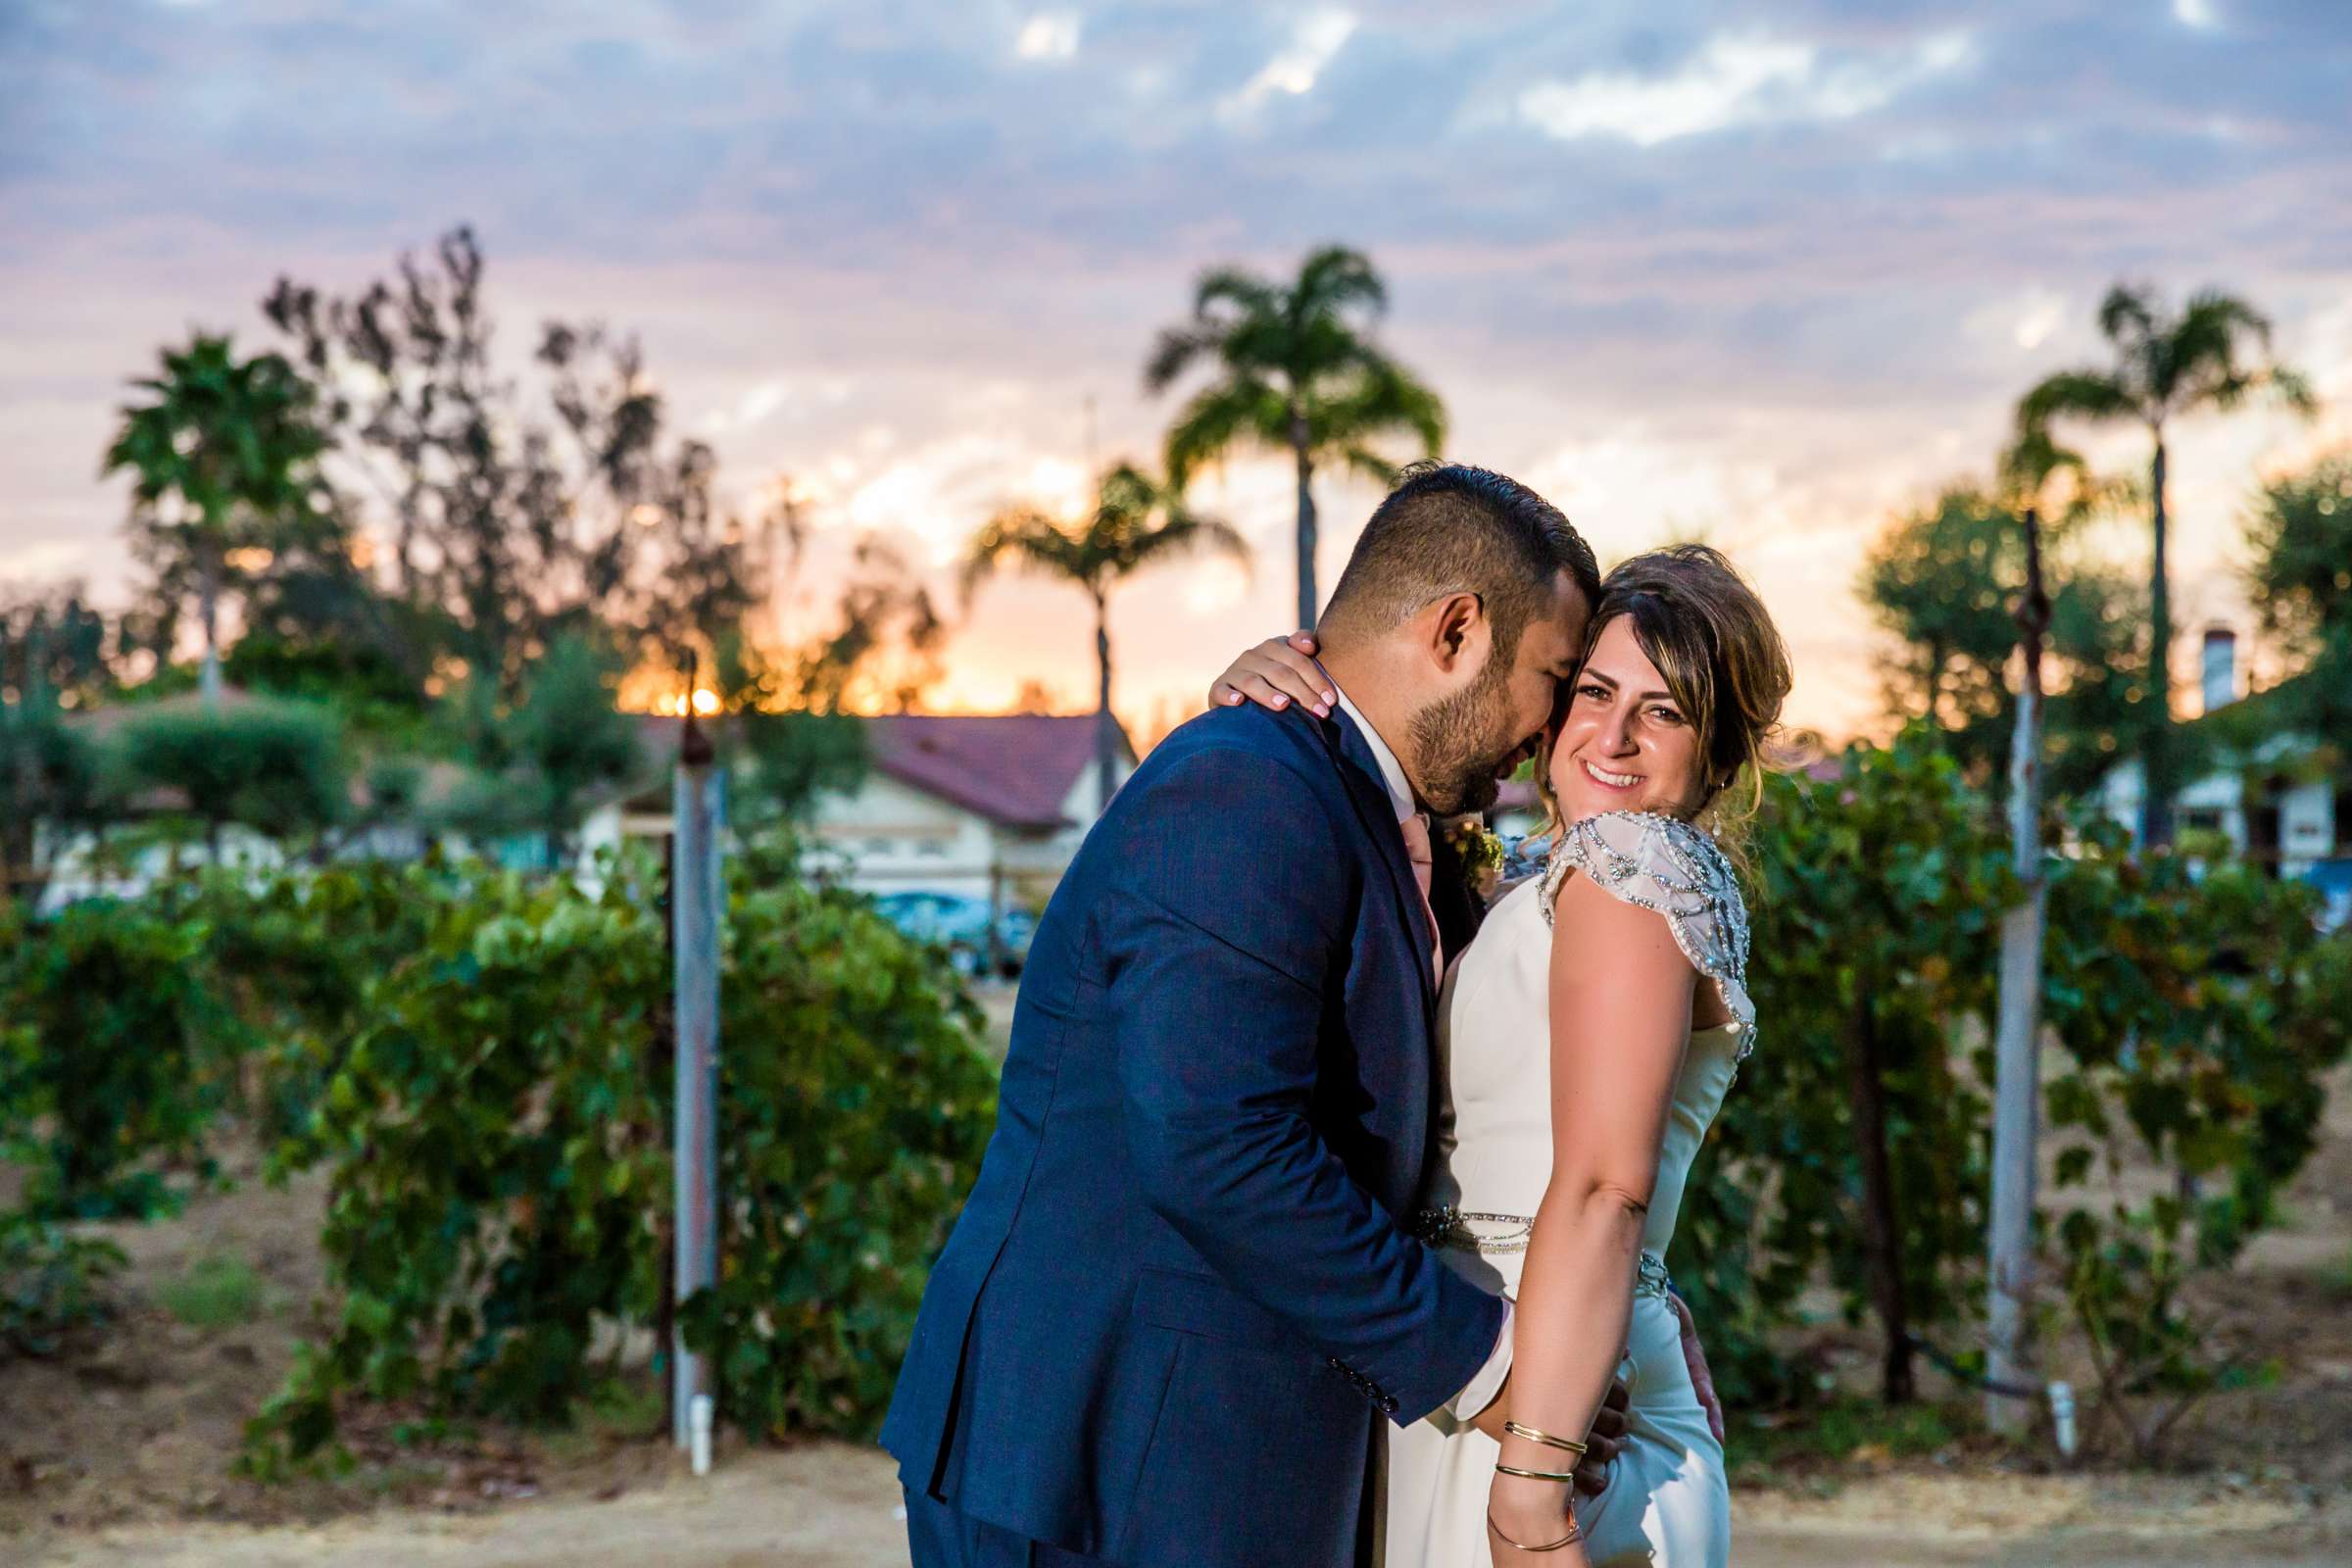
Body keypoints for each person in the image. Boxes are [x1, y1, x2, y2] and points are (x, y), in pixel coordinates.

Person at [884, 463, 1661, 1568]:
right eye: (1551, 677)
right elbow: (1217, 1145)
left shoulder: (1367, 802)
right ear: (1454, 631)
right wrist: (1493, 1365)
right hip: (1102, 1460)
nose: (1547, 734)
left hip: (1213, 1453)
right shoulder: (1248, 783)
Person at [1211, 543, 1790, 1566]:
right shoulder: (1553, 876)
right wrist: (1285, 687)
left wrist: (1532, 1486)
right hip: (1502, 1363)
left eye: (1662, 710)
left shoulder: (1632, 861)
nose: (1612, 735)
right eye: (1595, 691)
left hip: (1545, 1410)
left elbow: (1609, 1181)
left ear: (1722, 752)